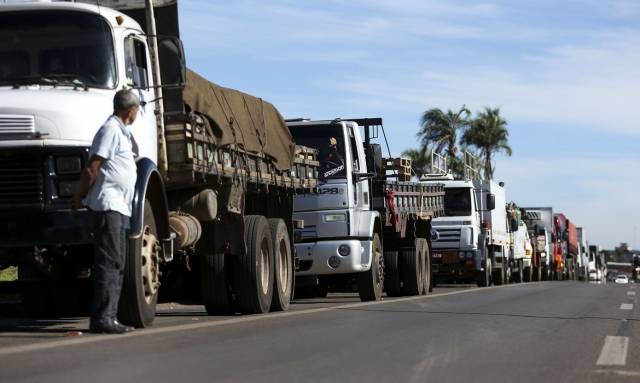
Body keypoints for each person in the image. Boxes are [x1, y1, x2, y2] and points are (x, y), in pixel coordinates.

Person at [73, 89, 140, 334]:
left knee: (117, 262)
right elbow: (93, 168)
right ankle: (103, 318)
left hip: (119, 207)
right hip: (107, 205)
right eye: (137, 109)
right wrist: (79, 195)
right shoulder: (110, 130)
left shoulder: (122, 132)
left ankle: (109, 315)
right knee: (110, 262)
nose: (137, 113)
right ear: (130, 110)